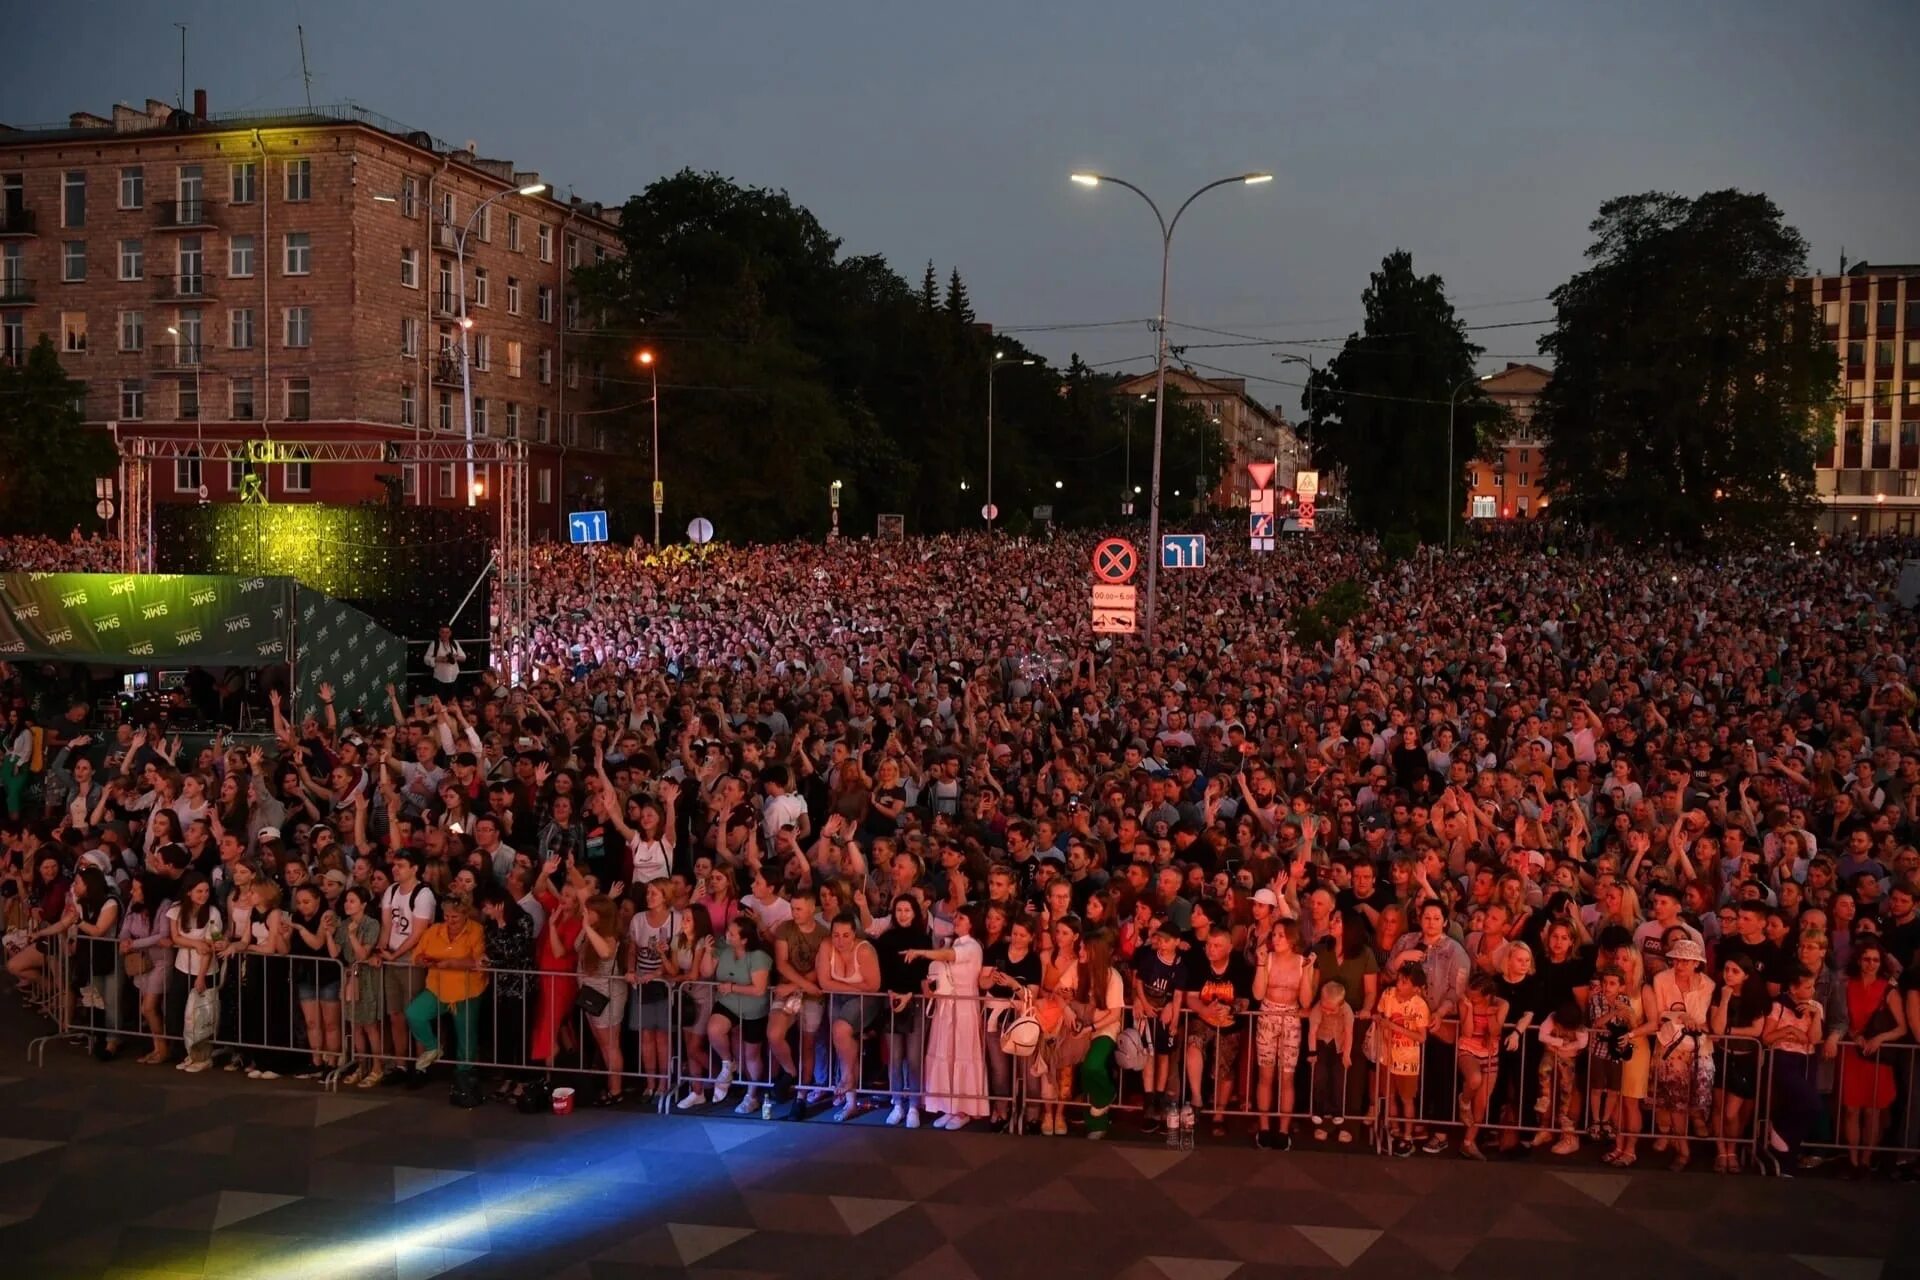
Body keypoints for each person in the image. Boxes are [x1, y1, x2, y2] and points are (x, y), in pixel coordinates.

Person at [904, 904, 989, 1130]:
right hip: (945, 1006)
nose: (956, 920)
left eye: (962, 918)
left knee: (962, 1053)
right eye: (957, 917)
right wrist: (928, 984)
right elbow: (939, 967)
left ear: (972, 923)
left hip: (964, 1007)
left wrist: (921, 952)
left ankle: (964, 1109)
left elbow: (949, 956)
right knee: (946, 1053)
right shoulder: (952, 942)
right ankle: (949, 1105)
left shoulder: (973, 946)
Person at [1644, 933, 1715, 1172]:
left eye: (1686, 960)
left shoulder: (1708, 984)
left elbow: (1703, 1020)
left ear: (1697, 963)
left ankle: (1687, 1140)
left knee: (1697, 1099)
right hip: (1669, 1046)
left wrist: (1692, 1020)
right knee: (1673, 1101)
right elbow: (1662, 1011)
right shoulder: (1662, 979)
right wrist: (1681, 1017)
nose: (1680, 964)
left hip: (1698, 1048)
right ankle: (1682, 1151)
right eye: (1676, 959)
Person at [407, 892, 488, 1101]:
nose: (450, 921)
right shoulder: (434, 930)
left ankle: (464, 1076)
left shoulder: (476, 931)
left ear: (465, 915)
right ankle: (433, 1047)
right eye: (447, 916)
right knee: (414, 1013)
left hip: (467, 991)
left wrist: (452, 964)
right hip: (437, 988)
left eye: (455, 917)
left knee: (466, 1036)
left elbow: (479, 961)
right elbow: (416, 955)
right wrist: (422, 960)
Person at [1838, 939, 1907, 1174]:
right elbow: (1842, 1019)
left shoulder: (1888, 989)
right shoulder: (1847, 985)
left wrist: (1880, 1038)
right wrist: (1854, 1035)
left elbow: (1902, 1028)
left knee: (1873, 1110)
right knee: (1851, 1109)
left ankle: (1866, 1159)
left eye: (1876, 960)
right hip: (1852, 1052)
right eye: (1866, 959)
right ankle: (1853, 1159)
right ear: (1859, 960)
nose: (1871, 964)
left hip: (1877, 1055)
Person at [702, 913, 773, 1115]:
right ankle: (728, 1062)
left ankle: (752, 1095)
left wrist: (732, 987)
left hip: (753, 1008)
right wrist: (707, 952)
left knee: (752, 1055)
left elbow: (759, 989)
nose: (727, 936)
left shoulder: (758, 956)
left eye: (732, 934)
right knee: (714, 1029)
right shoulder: (724, 950)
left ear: (744, 939)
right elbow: (706, 972)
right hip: (728, 1003)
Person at [1252, 920, 1314, 1150]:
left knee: (1287, 1077)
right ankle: (1264, 1127)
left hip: (1291, 1018)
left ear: (1292, 939)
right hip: (1267, 1015)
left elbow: (1306, 1001)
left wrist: (1307, 973)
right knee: (1265, 1075)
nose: (1276, 939)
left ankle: (1283, 1130)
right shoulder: (1267, 960)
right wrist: (1259, 965)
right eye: (1274, 935)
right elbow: (1258, 993)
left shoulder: (1301, 963)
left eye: (1281, 935)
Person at [873, 893, 932, 1128]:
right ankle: (897, 1102)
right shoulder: (886, 939)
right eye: (899, 910)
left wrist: (910, 995)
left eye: (907, 910)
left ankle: (914, 1106)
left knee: (914, 1058)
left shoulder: (923, 939)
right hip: (892, 1000)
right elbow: (883, 972)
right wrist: (889, 993)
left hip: (915, 1001)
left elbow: (924, 973)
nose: (903, 914)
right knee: (895, 1057)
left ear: (915, 913)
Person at [816, 911, 881, 1122]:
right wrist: (854, 986)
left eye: (845, 935)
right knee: (842, 1041)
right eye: (836, 935)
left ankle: (846, 1079)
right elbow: (824, 983)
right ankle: (850, 1100)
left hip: (866, 1000)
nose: (840, 940)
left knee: (840, 1029)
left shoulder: (864, 951)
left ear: (854, 935)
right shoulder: (826, 946)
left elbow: (873, 986)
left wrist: (843, 987)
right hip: (839, 997)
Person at [576, 893, 628, 1106]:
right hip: (591, 993)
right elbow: (575, 946)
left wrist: (587, 927)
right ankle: (609, 1085)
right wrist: (585, 927)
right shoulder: (593, 932)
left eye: (589, 911)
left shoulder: (609, 936)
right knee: (602, 1043)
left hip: (607, 996)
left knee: (610, 1045)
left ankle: (616, 1090)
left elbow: (605, 952)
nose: (585, 913)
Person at [1377, 960, 1431, 1157]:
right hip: (1387, 1054)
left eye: (1405, 982)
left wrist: (1396, 1028)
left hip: (1408, 1060)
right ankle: (1394, 1129)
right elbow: (1380, 1014)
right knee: (1389, 1095)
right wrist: (1381, 1024)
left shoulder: (1419, 1005)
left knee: (1407, 1098)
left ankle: (1408, 1135)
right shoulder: (1388, 995)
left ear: (1416, 988)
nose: (1399, 984)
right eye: (1399, 980)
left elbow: (1421, 1036)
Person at [1307, 978, 1355, 1143]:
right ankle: (1318, 1110)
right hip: (1321, 1043)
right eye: (1324, 1007)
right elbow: (1312, 1032)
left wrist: (1347, 1054)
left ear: (1340, 1005)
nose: (1326, 1011)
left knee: (1338, 1078)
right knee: (1320, 1076)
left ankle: (1337, 1111)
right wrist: (1312, 1053)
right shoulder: (1317, 1009)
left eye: (1330, 1009)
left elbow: (1349, 1034)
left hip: (1339, 1046)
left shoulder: (1346, 1011)